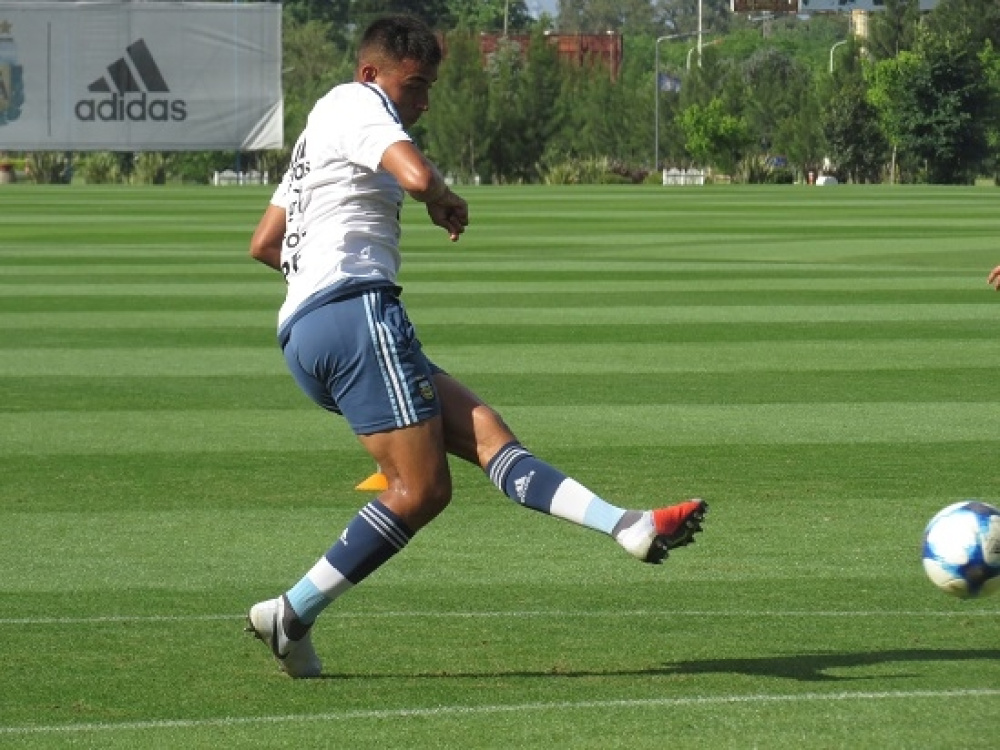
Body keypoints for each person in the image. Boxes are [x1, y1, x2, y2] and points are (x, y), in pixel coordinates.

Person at [244, 14, 708, 679]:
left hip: (313, 326)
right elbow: (412, 174)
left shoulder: (320, 131)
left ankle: (627, 525)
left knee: (487, 433)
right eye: (415, 86)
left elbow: (264, 243)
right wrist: (442, 197)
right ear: (372, 74)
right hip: (355, 314)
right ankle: (291, 614)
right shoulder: (358, 103)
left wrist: (320, 292)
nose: (423, 103)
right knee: (422, 489)